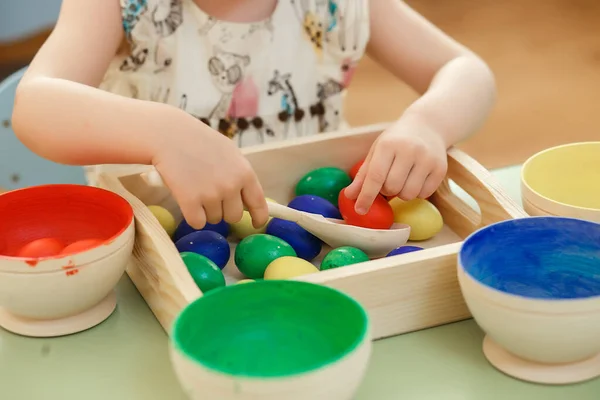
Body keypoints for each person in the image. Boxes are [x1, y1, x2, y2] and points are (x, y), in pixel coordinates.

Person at [11, 0, 496, 230]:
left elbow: (467, 71)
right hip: (158, 242)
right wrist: (164, 132)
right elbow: (34, 107)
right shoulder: (120, 6)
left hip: (310, 224)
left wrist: (429, 123)